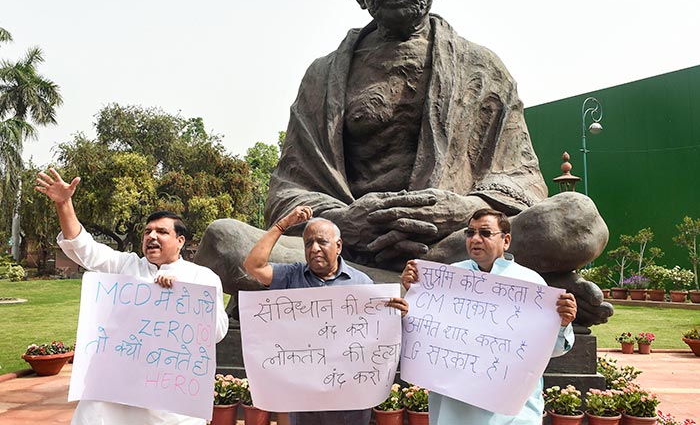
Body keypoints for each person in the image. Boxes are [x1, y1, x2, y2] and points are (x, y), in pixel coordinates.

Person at [195, 0, 610, 327]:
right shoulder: (323, 77)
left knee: (576, 218)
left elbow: (523, 184)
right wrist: (346, 221)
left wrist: (465, 210)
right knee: (223, 241)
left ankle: (375, 290)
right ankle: (467, 289)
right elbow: (287, 191)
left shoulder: (483, 70)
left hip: (454, 245)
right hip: (347, 248)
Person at [35, 168, 229, 425]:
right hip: (114, 390)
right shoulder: (125, 266)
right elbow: (85, 249)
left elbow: (216, 333)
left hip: (168, 395)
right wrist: (64, 203)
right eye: (147, 232)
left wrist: (179, 297)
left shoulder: (201, 278)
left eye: (161, 232)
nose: (151, 237)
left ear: (180, 241)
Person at [401, 208, 577, 425]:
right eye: (470, 233)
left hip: (512, 409)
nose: (475, 239)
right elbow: (425, 335)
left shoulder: (532, 284)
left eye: (485, 233)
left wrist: (563, 324)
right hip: (456, 404)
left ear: (506, 240)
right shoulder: (448, 278)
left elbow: (550, 350)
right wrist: (416, 295)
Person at [243, 205, 408, 425]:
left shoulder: (361, 284)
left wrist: (397, 315)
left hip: (348, 403)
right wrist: (284, 224)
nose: (314, 249)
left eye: (322, 241)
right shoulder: (290, 276)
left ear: (338, 246)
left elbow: (374, 338)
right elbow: (253, 265)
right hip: (303, 402)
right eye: (308, 243)